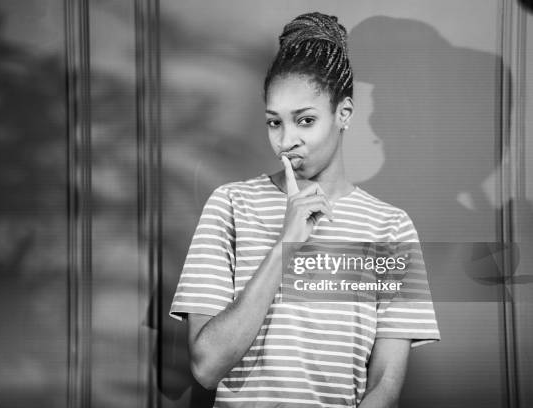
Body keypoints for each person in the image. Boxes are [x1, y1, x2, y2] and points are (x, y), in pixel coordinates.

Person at [169, 12, 440, 408]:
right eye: (274, 122)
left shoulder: (390, 228)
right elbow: (207, 366)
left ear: (343, 114)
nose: (286, 141)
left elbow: (385, 382)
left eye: (306, 120)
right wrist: (286, 244)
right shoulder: (230, 205)